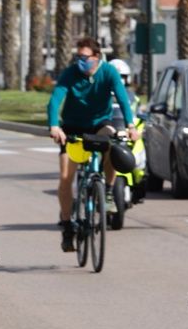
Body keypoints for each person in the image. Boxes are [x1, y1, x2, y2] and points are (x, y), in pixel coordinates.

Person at [46, 37, 139, 252]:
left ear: (96, 57)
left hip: (99, 124)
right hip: (72, 128)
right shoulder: (70, 74)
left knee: (113, 142)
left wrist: (131, 126)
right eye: (78, 57)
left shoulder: (108, 72)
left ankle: (106, 191)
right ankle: (68, 225)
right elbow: (54, 101)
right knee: (65, 178)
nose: (80, 61)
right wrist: (54, 126)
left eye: (85, 57)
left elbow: (123, 99)